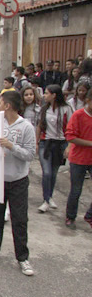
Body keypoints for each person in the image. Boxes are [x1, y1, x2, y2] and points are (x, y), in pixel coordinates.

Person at [0, 90, 36, 276]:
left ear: (8, 106)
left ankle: (22, 258)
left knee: (19, 219)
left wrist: (11, 147)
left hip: (18, 181)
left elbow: (30, 154)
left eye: (0, 102)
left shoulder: (26, 127)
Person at [36, 85, 73, 214]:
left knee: (54, 172)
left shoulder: (66, 109)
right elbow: (40, 125)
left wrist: (69, 145)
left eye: (46, 93)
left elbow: (70, 128)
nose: (44, 95)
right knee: (46, 172)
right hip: (45, 143)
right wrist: (36, 142)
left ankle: (49, 196)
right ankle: (46, 200)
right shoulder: (44, 109)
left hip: (60, 144)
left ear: (54, 95)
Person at [65, 88, 92, 229]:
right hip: (78, 159)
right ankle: (70, 216)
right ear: (87, 101)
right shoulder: (78, 115)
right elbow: (70, 136)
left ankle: (89, 215)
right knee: (76, 190)